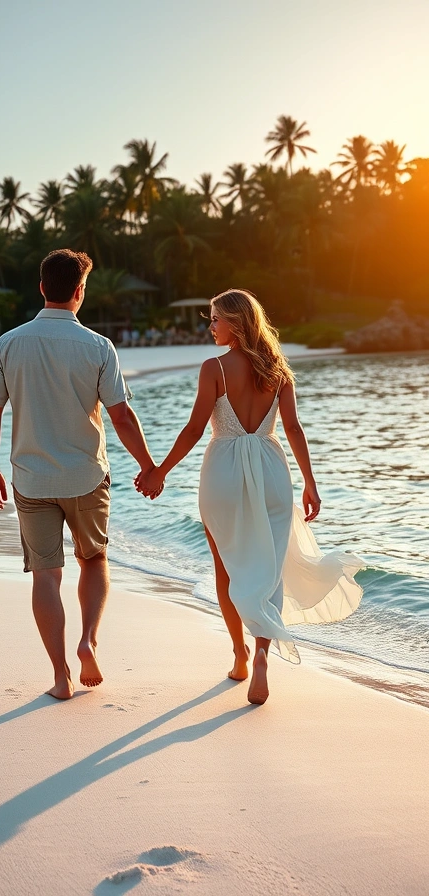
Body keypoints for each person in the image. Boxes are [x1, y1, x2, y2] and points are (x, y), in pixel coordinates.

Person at [136, 288, 363, 706]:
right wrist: (311, 483)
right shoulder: (279, 370)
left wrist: (158, 473)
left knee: (226, 568)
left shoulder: (214, 368)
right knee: (269, 569)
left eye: (216, 319)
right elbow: (293, 429)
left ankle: (239, 655)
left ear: (236, 324)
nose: (211, 326)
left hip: (222, 471)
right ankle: (261, 653)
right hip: (273, 471)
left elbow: (193, 429)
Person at [0, 249, 156, 700]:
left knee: (45, 575)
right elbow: (121, 417)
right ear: (80, 291)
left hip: (32, 479)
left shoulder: (9, 343)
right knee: (93, 559)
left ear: (42, 287)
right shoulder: (98, 346)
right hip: (85, 477)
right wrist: (148, 466)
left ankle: (60, 676)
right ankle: (88, 640)